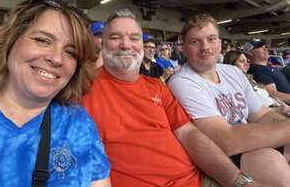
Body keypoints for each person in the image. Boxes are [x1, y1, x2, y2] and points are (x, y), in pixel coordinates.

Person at [83, 9, 274, 187]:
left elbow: (189, 135)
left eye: (134, 38)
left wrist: (237, 182)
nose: (126, 45)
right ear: (103, 43)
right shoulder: (82, 88)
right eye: (115, 37)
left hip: (197, 180)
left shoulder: (157, 86)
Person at [0, 0, 111, 187]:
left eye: (70, 52)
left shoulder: (78, 122)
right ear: (10, 41)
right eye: (42, 40)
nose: (56, 58)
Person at [168, 13, 290, 187]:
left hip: (247, 139)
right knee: (274, 166)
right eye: (195, 42)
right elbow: (225, 140)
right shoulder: (182, 81)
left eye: (211, 39)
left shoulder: (232, 72)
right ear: (185, 48)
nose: (205, 47)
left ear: (219, 43)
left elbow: (262, 115)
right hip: (219, 154)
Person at [224, 50, 289, 112]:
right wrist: (278, 109)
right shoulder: (234, 84)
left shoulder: (249, 79)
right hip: (270, 113)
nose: (247, 64)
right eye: (242, 61)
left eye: (247, 61)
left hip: (278, 107)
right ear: (231, 64)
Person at [245, 39, 290, 104]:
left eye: (265, 47)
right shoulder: (259, 70)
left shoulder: (265, 68)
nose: (265, 49)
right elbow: (273, 95)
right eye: (260, 48)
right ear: (250, 53)